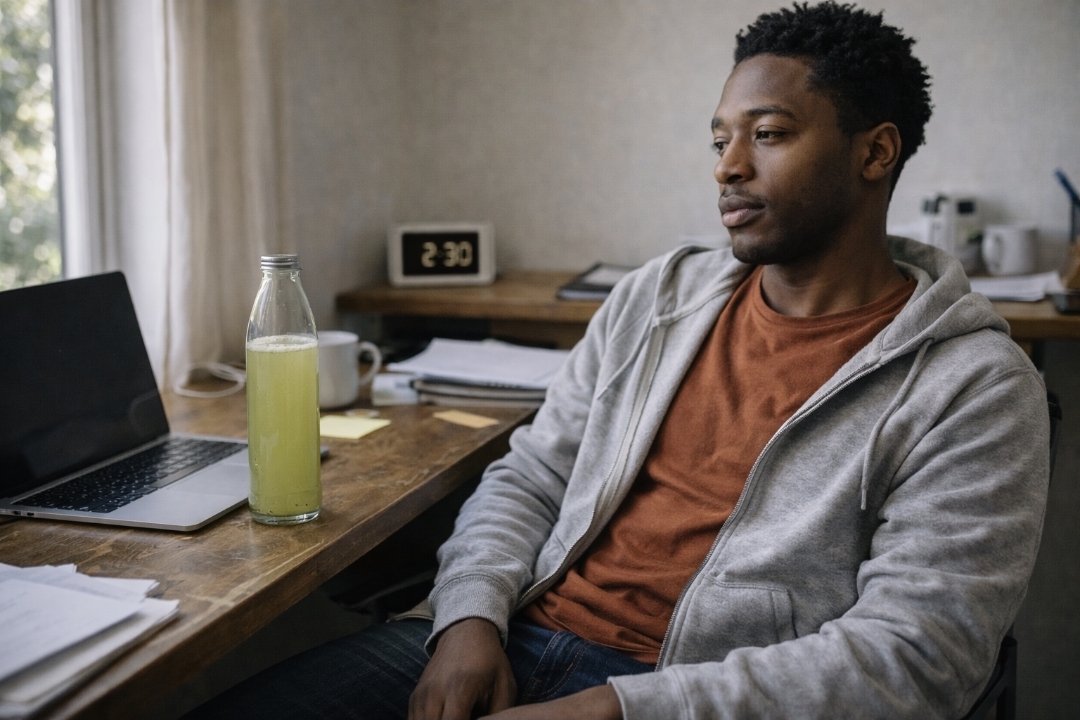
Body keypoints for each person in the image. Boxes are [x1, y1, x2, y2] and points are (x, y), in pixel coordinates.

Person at [189, 2, 1050, 719]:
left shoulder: (972, 385)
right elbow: (530, 477)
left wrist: (618, 710)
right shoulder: (657, 296)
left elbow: (917, 658)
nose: (730, 168)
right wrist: (466, 622)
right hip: (513, 633)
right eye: (719, 140)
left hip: (698, 695)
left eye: (771, 134)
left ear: (876, 152)